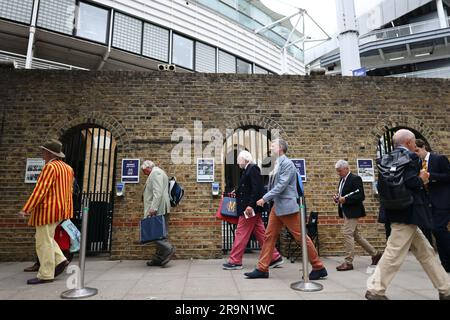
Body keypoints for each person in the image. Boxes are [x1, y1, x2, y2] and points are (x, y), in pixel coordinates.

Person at [366, 129, 450, 300]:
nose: (414, 145)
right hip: (409, 211)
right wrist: (423, 178)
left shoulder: (386, 158)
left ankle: (445, 288)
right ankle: (375, 289)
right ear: (409, 142)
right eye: (413, 142)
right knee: (394, 251)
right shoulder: (411, 158)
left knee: (425, 251)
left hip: (394, 209)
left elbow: (383, 186)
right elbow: (412, 182)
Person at [244, 139, 327, 280]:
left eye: (273, 146)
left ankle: (318, 267)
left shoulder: (287, 164)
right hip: (277, 206)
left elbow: (281, 185)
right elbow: (272, 186)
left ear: (281, 148)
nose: (270, 148)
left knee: (301, 237)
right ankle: (262, 268)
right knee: (269, 236)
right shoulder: (276, 163)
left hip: (288, 207)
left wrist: (265, 198)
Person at [18, 139, 73, 284]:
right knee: (46, 238)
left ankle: (46, 274)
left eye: (43, 151)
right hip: (60, 210)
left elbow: (40, 190)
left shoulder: (50, 167)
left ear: (49, 153)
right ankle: (60, 260)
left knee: (43, 242)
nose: (42, 153)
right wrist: (67, 210)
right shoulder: (68, 168)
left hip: (47, 210)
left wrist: (26, 208)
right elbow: (69, 192)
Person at [222, 150, 283, 270]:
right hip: (251, 209)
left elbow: (257, 189)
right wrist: (236, 192)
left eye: (239, 159)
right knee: (261, 234)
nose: (237, 162)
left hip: (249, 209)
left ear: (245, 159)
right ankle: (275, 257)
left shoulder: (253, 168)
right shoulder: (247, 170)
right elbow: (247, 188)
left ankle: (235, 261)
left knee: (241, 233)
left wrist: (250, 205)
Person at [333, 160, 382, 271]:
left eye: (340, 171)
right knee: (356, 235)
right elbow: (343, 194)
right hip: (345, 211)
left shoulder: (355, 179)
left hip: (353, 211)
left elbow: (361, 196)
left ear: (346, 168)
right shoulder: (342, 180)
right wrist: (338, 197)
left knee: (347, 233)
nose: (338, 173)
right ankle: (375, 254)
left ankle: (348, 262)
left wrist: (345, 199)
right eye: (337, 171)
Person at [415, 138, 450, 272]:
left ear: (424, 147)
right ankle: (446, 264)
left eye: (417, 150)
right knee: (436, 231)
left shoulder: (439, 159)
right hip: (428, 203)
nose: (416, 154)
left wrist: (431, 175)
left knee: (438, 228)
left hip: (443, 200)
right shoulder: (418, 163)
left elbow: (448, 176)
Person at [142, 160, 175, 267]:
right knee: (159, 232)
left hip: (158, 208)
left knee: (154, 232)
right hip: (159, 207)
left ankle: (168, 249)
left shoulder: (156, 173)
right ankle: (159, 257)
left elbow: (158, 192)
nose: (143, 173)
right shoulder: (156, 172)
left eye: (144, 171)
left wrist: (153, 208)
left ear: (148, 168)